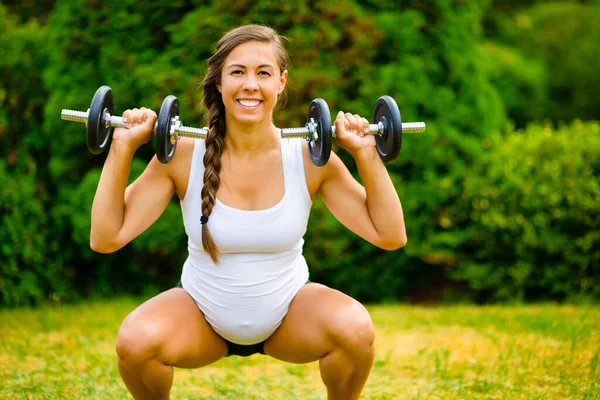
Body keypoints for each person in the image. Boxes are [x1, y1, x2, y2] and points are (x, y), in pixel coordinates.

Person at [90, 24, 407, 400]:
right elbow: (106, 238)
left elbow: (390, 235)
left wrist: (366, 154)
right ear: (220, 83)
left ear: (281, 82)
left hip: (290, 314)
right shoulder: (183, 156)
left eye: (264, 73)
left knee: (354, 329)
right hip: (200, 316)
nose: (250, 85)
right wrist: (121, 148)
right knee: (135, 341)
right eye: (237, 72)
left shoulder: (309, 158)